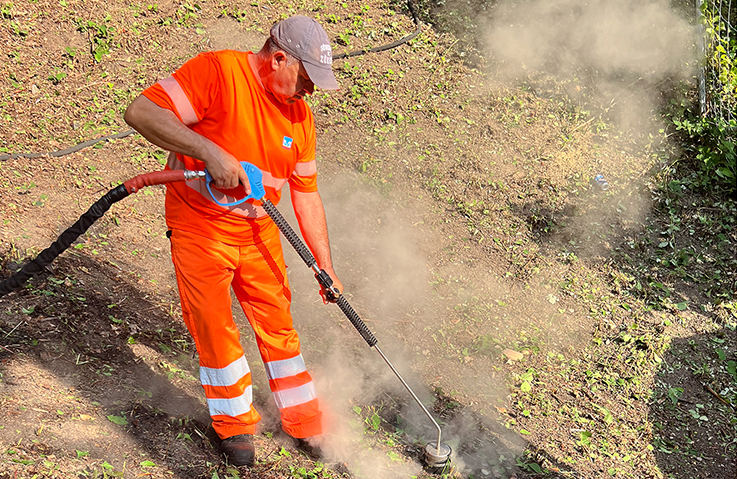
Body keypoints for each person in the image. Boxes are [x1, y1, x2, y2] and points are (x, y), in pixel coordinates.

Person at [123, 15, 342, 467]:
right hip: (201, 225)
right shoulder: (218, 73)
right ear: (279, 57)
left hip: (260, 229)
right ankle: (236, 424)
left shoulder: (300, 117)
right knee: (214, 323)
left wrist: (324, 265)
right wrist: (209, 151)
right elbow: (141, 112)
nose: (310, 91)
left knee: (278, 325)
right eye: (305, 79)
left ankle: (303, 418)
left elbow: (307, 195)